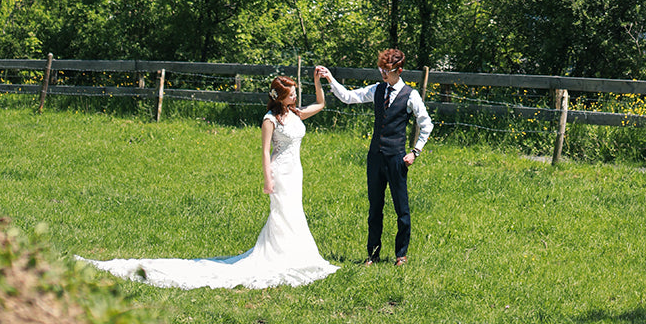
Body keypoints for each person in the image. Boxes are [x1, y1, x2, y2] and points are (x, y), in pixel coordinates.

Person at [82, 70, 338, 289]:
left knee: (294, 212)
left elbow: (321, 104)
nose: (295, 95)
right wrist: (267, 180)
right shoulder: (270, 120)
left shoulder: (295, 114)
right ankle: (282, 255)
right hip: (280, 172)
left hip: (296, 172)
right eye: (291, 93)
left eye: (295, 91)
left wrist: (319, 82)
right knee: (282, 214)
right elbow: (264, 151)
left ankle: (296, 253)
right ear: (279, 97)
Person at [317, 50, 432, 266]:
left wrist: (415, 152)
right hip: (375, 158)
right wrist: (330, 78)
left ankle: (401, 255)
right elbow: (349, 97)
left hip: (397, 158)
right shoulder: (378, 90)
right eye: (381, 70)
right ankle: (373, 254)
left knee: (402, 208)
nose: (383, 75)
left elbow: (426, 123)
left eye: (386, 71)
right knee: (375, 208)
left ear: (399, 71)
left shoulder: (411, 95)